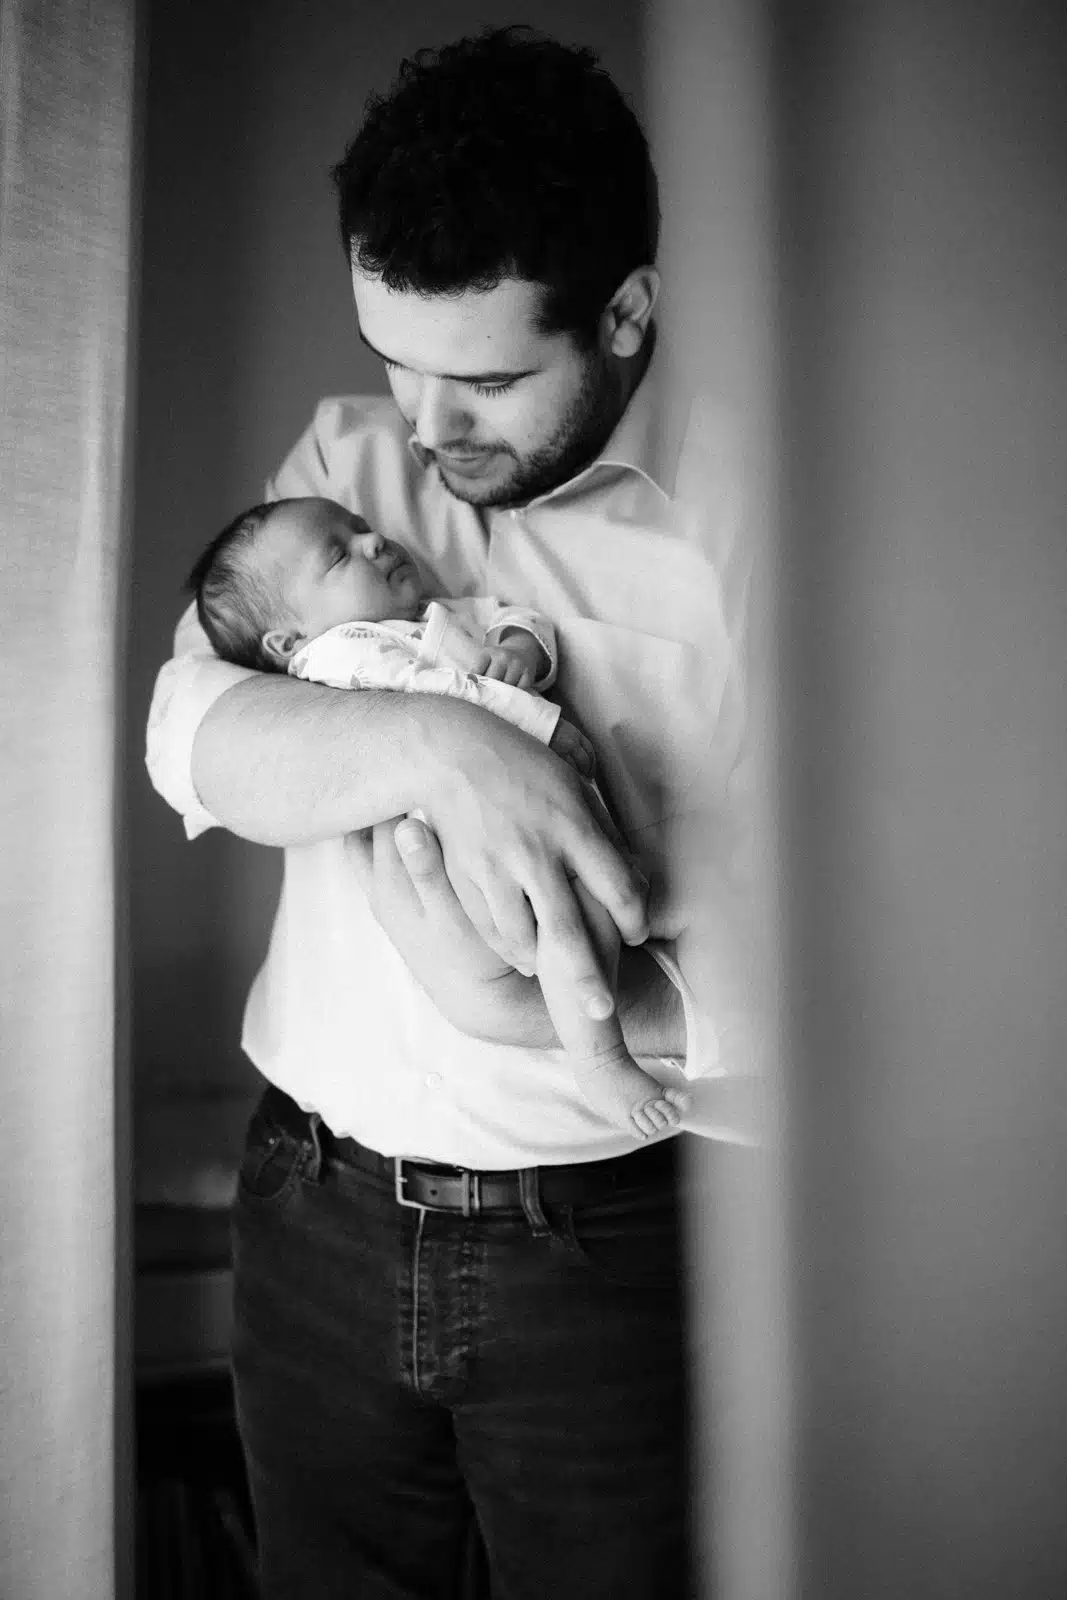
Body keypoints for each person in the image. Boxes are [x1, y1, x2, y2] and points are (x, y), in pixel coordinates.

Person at [146, 25, 753, 1599]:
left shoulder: (763, 518)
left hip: (606, 1249)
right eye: (393, 358)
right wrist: (439, 748)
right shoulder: (346, 465)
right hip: (312, 1212)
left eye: (480, 378)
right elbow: (192, 732)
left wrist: (566, 1005)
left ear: (624, 313)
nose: (420, 429)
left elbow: (855, 951)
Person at [187, 492, 691, 1138]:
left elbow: (523, 621)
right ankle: (601, 1058)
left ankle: (657, 938)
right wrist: (535, 714)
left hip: (557, 815)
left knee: (614, 892)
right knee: (568, 932)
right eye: (339, 554)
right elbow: (439, 701)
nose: (374, 542)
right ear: (289, 639)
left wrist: (518, 647)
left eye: (362, 528)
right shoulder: (339, 658)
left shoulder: (444, 616)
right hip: (467, 851)